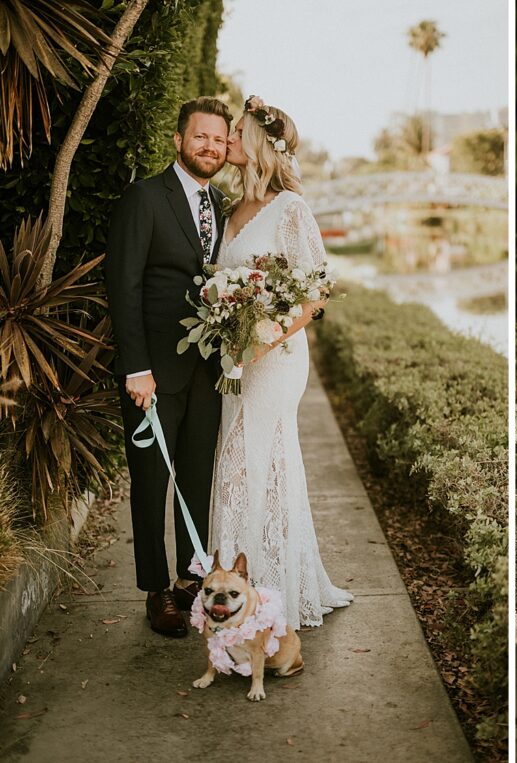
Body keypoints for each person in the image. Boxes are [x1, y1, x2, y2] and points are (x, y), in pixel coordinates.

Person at [208, 95, 353, 629]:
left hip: (275, 357)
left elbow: (316, 292)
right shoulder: (230, 208)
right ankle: (235, 586)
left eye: (235, 131)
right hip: (235, 360)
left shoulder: (291, 208)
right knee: (235, 467)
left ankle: (271, 591)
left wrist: (260, 342)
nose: (226, 140)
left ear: (258, 144)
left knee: (263, 463)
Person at [106, 97, 232, 637]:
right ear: (179, 140)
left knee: (197, 478)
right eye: (201, 137)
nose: (211, 147)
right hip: (152, 373)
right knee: (151, 483)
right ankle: (156, 592)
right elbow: (123, 284)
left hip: (209, 371)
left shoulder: (223, 205)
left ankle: (190, 581)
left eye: (220, 140)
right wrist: (135, 367)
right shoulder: (144, 197)